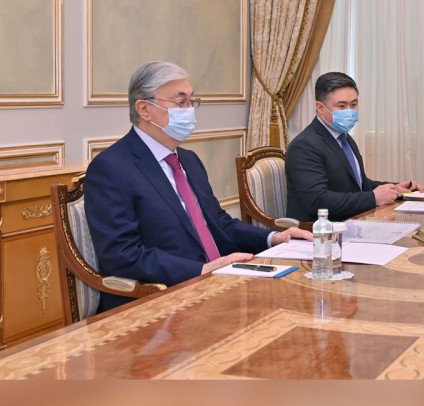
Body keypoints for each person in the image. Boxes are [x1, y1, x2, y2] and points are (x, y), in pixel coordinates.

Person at [85, 61, 312, 312]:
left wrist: (273, 238)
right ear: (144, 109)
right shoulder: (111, 167)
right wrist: (201, 270)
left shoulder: (189, 160)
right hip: (159, 300)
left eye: (192, 101)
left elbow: (218, 223)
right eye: (180, 102)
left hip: (217, 286)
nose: (190, 110)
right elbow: (121, 255)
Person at [285, 72, 424, 222]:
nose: (350, 111)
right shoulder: (304, 146)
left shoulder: (344, 138)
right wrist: (374, 198)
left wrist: (393, 188)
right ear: (320, 108)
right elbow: (318, 201)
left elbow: (358, 185)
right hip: (318, 231)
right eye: (342, 106)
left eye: (353, 104)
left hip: (353, 223)